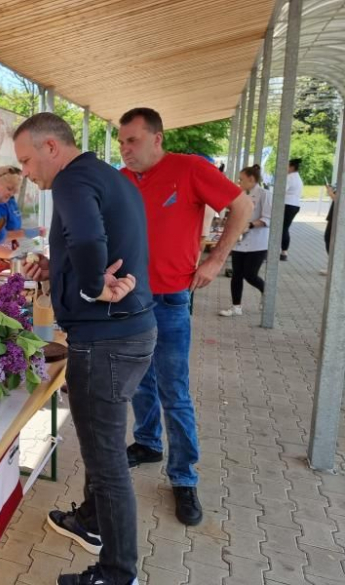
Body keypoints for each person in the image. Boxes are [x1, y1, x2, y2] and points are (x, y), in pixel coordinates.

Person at [16, 112, 157, 585]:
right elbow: (92, 240)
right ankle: (91, 522)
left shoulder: (71, 181)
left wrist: (93, 285)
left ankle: (117, 575)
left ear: (51, 148)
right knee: (105, 443)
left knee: (106, 461)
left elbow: (91, 240)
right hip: (132, 332)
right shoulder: (105, 175)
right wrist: (56, 269)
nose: (27, 173)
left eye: (27, 160)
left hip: (105, 342)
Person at [117, 107, 252, 526]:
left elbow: (242, 207)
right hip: (128, 299)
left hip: (172, 298)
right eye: (121, 142)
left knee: (174, 391)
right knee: (139, 381)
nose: (125, 150)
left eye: (132, 141)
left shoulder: (190, 168)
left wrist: (216, 258)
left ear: (157, 138)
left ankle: (183, 477)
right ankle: (147, 442)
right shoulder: (121, 181)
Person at [219, 165, 272, 316]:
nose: (239, 182)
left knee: (250, 274)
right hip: (239, 240)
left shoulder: (265, 194)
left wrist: (249, 225)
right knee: (236, 274)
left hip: (258, 242)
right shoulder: (240, 194)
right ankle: (236, 306)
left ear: (251, 179)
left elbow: (267, 218)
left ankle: (266, 292)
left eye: (241, 179)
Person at [280, 158, 304, 261]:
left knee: (282, 228)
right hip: (295, 205)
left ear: (292, 167)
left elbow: (281, 190)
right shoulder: (298, 177)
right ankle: (284, 251)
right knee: (285, 228)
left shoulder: (289, 177)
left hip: (287, 204)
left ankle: (283, 251)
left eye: (287, 165)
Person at [320, 184, 336, 275]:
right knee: (329, 239)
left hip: (338, 216)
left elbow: (340, 199)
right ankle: (333, 266)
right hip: (334, 214)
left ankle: (333, 267)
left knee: (329, 239)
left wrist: (331, 193)